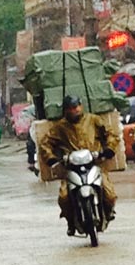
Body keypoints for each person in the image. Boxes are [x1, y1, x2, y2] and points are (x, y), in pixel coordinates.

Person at [40, 95, 120, 236]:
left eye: (76, 107)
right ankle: (71, 222)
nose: (74, 110)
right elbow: (45, 143)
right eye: (70, 108)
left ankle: (108, 212)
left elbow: (111, 134)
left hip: (95, 165)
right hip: (71, 168)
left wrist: (109, 149)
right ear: (65, 110)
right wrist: (51, 158)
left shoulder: (94, 120)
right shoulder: (60, 127)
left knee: (110, 195)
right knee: (64, 197)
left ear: (81, 106)